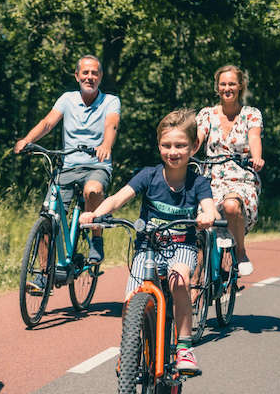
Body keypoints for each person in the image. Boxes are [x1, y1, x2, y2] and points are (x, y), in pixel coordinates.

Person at [79, 109, 216, 373]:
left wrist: (208, 215)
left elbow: (210, 207)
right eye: (166, 145)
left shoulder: (198, 182)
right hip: (148, 248)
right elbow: (118, 198)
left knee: (180, 279)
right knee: (131, 299)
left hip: (182, 247)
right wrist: (96, 214)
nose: (172, 151)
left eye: (180, 145)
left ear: (194, 146)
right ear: (158, 146)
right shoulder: (149, 175)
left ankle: (184, 346)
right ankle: (130, 348)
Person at [14, 55, 121, 290]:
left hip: (96, 165)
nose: (89, 77)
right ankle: (44, 274)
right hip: (68, 166)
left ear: (100, 77)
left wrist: (106, 145)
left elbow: (111, 124)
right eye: (85, 73)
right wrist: (27, 140)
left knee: (93, 190)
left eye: (94, 73)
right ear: (77, 76)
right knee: (48, 215)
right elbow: (48, 123)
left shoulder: (110, 101)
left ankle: (95, 238)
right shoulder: (67, 99)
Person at [195, 65, 265, 276]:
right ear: (217, 87)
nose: (227, 88)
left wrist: (257, 157)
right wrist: (184, 150)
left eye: (232, 84)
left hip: (241, 176)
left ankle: (240, 251)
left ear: (240, 86)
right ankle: (197, 282)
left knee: (231, 206)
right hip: (211, 177)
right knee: (199, 223)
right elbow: (197, 138)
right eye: (223, 84)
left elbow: (254, 137)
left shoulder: (251, 114)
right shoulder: (207, 114)